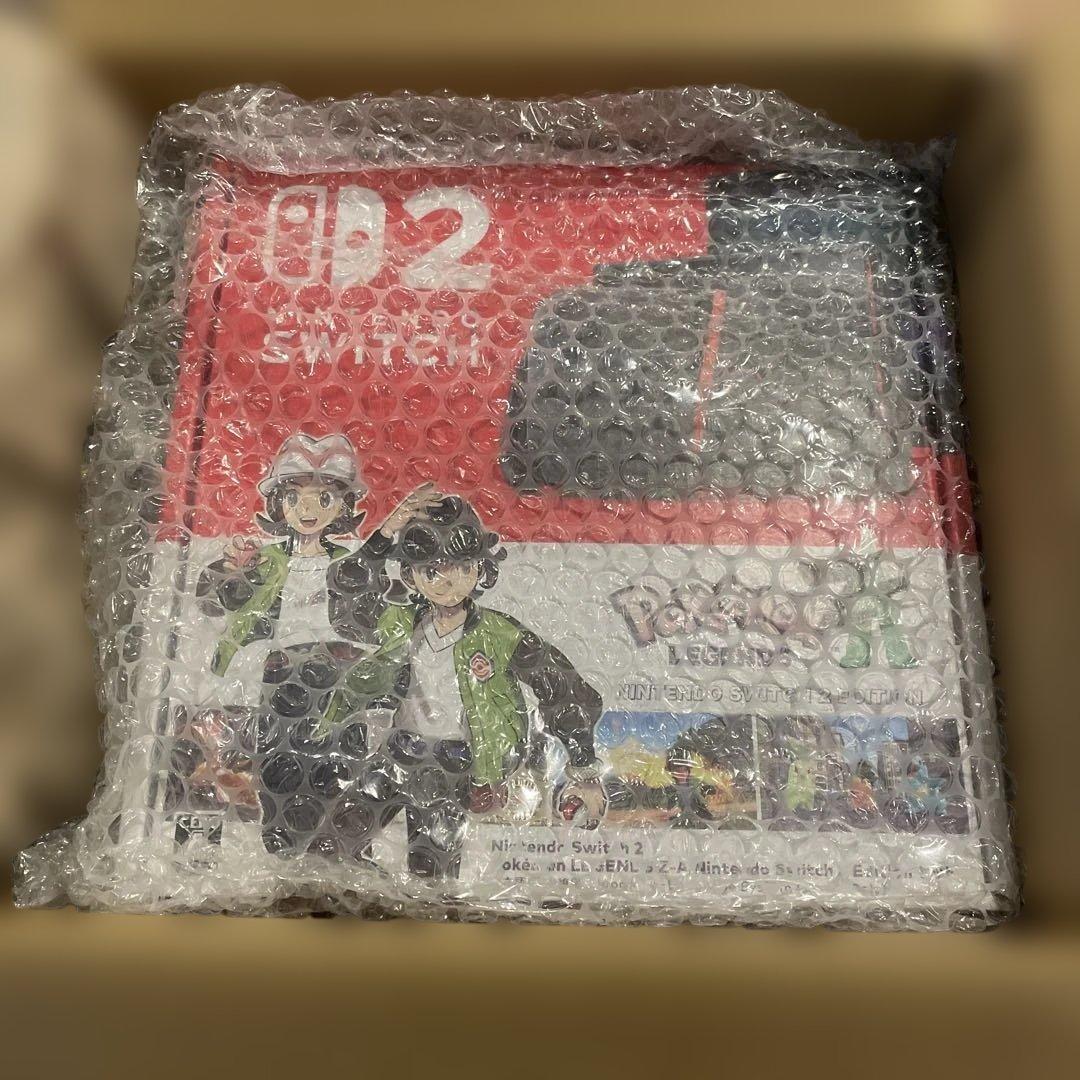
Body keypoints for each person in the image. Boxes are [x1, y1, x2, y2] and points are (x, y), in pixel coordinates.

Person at [322, 495, 606, 879]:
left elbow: (565, 691)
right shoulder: (402, 623)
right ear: (411, 576)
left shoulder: (499, 634)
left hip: (454, 762)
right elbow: (348, 604)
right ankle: (368, 891)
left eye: (462, 566)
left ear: (480, 568)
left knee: (431, 872)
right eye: (431, 571)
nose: (448, 581)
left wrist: (584, 770)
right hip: (397, 751)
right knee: (335, 841)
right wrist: (384, 534)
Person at [195, 433, 441, 854]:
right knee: (280, 767)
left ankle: (337, 848)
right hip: (279, 677)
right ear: (279, 505)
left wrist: (390, 534)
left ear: (343, 507)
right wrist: (229, 569)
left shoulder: (345, 563)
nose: (307, 511)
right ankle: (281, 844)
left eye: (324, 499)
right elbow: (215, 599)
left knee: (340, 764)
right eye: (295, 499)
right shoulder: (266, 559)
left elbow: (369, 592)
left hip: (339, 676)